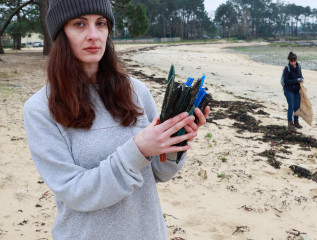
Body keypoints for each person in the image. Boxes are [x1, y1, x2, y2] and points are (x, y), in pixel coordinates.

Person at [23, 0, 210, 239]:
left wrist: (176, 140)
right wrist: (139, 149)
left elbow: (160, 172)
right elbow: (75, 193)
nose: (94, 35)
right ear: (61, 34)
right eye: (79, 24)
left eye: (101, 23)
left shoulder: (136, 91)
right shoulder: (40, 109)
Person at [283, 51, 304, 132]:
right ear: (289, 60)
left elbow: (301, 76)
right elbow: (286, 81)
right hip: (288, 90)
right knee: (291, 106)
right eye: (291, 61)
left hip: (296, 90)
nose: (293, 62)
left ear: (296, 60)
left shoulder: (299, 66)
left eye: (294, 60)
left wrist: (301, 79)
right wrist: (296, 80)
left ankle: (296, 122)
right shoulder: (287, 68)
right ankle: (290, 123)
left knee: (297, 107)